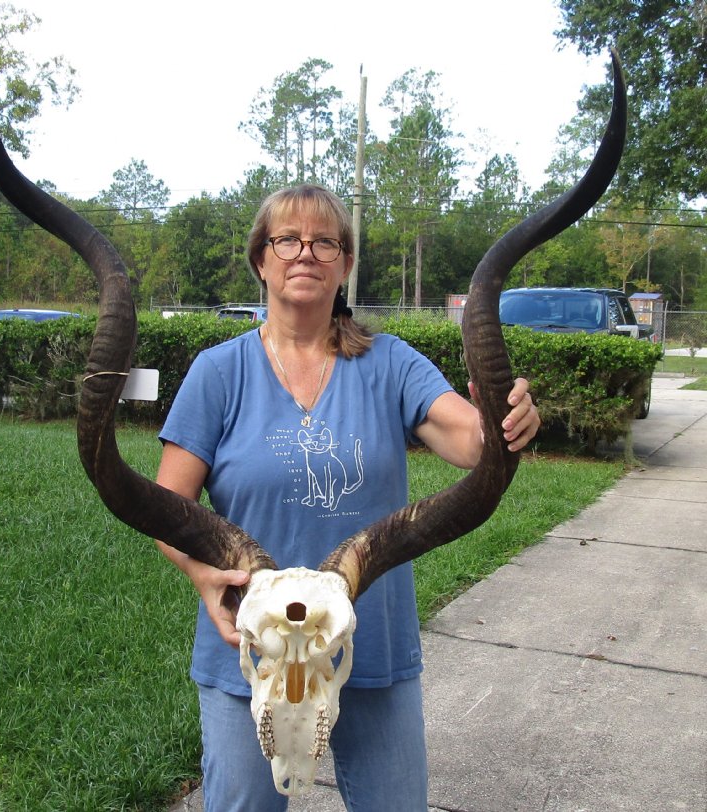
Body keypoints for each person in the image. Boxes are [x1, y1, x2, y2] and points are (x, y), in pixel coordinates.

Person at [155, 184, 540, 811]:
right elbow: (169, 505)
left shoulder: (390, 363)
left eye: (324, 241)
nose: (305, 253)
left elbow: (467, 436)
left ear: (345, 264)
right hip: (251, 651)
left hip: (372, 647)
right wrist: (202, 574)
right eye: (287, 239)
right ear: (261, 259)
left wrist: (505, 421)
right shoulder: (218, 371)